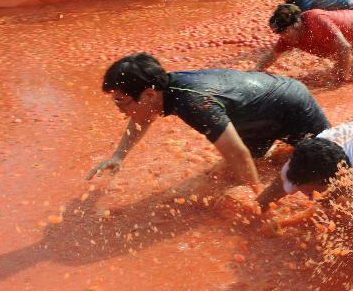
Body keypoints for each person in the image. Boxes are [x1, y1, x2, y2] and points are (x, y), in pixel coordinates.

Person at [88, 53, 330, 190]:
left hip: (293, 106)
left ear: (148, 94)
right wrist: (118, 156)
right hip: (257, 116)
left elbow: (237, 152)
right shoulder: (162, 89)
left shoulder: (193, 103)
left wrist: (257, 199)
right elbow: (141, 117)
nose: (120, 111)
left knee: (325, 173)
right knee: (229, 174)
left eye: (121, 102)